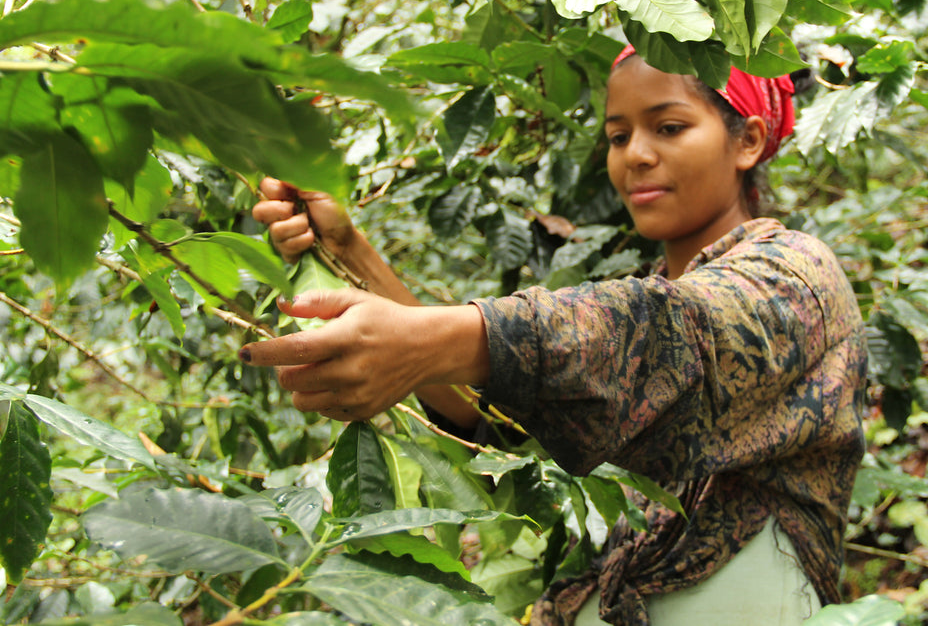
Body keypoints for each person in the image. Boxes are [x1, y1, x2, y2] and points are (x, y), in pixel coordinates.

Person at [241, 45, 867, 625]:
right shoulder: (627, 301)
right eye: (618, 136)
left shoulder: (798, 274)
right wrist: (349, 249)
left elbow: (670, 338)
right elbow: (506, 425)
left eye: (669, 127)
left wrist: (435, 341)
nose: (635, 155)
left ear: (748, 141)